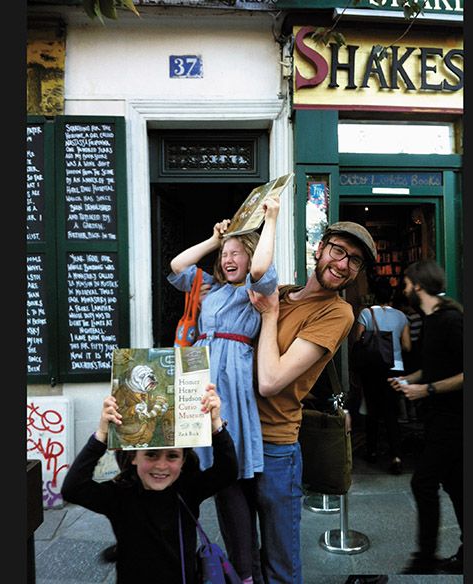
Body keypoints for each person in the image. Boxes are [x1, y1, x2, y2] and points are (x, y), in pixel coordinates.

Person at [247, 221, 377, 584]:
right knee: (243, 557)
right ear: (319, 249)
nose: (343, 263)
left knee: (280, 565)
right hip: (237, 437)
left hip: (275, 446)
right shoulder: (283, 293)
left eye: (355, 261)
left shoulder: (338, 313)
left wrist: (270, 315)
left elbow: (271, 381)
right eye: (339, 250)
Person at [166, 192, 280, 584]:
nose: (229, 259)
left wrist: (271, 221)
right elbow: (178, 264)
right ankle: (187, 559)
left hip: (229, 382)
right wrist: (215, 240)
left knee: (230, 478)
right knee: (190, 473)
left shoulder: (255, 290)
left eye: (236, 252)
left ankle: (245, 571)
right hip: (198, 375)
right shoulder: (209, 288)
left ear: (248, 257)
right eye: (225, 254)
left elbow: (264, 266)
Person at [60, 386, 236, 584]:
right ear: (133, 457)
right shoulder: (120, 495)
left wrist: (215, 425)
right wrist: (102, 434)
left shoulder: (187, 490)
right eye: (151, 455)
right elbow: (72, 489)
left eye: (172, 456)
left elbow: (227, 471)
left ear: (183, 460)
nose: (161, 466)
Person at [388, 260, 464, 575]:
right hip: (438, 417)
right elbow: (432, 369)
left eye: (406, 283)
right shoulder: (431, 321)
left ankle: (425, 559)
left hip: (454, 418)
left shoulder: (450, 321)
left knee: (424, 482)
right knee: (457, 484)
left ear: (418, 284)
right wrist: (409, 381)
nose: (403, 289)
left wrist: (427, 390)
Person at [352, 277, 411, 474]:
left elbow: (357, 340)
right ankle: (396, 456)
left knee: (372, 409)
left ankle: (372, 451)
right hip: (396, 367)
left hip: (373, 368)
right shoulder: (402, 316)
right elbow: (407, 345)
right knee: (391, 412)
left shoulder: (366, 313)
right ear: (392, 295)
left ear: (374, 294)